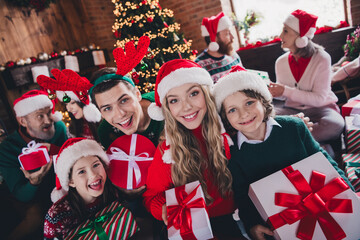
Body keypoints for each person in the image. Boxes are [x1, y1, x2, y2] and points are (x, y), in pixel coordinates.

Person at [212, 68, 354, 240]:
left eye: (249, 102)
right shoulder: (233, 154)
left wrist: (350, 193)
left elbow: (326, 163)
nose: (244, 114)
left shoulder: (294, 127)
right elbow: (243, 197)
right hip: (281, 226)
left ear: (263, 100)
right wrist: (251, 225)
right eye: (232, 110)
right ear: (225, 118)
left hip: (326, 207)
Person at [143, 59, 246, 239]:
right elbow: (151, 196)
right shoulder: (167, 153)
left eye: (193, 93)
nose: (186, 106)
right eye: (174, 100)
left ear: (206, 93)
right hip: (194, 228)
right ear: (167, 108)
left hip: (240, 217)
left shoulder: (230, 127)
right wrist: (163, 208)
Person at [269, 9, 344, 145]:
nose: (280, 35)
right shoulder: (281, 62)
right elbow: (283, 96)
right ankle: (318, 145)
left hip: (322, 109)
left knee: (335, 124)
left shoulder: (322, 59)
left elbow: (319, 99)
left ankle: (299, 142)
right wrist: (273, 91)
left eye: (286, 31)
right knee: (268, 119)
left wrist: (284, 90)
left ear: (301, 37)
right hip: (292, 110)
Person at [0, 89, 67, 239]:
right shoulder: (7, 149)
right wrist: (33, 182)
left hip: (60, 186)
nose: (48, 120)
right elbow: (19, 194)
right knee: (35, 216)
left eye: (49, 112)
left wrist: (55, 150)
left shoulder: (59, 128)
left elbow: (69, 157)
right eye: (39, 116)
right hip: (30, 197)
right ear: (23, 121)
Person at [44, 137, 138, 239]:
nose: (93, 175)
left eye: (96, 165)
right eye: (81, 171)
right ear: (71, 181)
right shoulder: (57, 216)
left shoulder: (113, 192)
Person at [37, 69, 102, 141]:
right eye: (66, 104)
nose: (68, 109)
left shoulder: (102, 121)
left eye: (72, 103)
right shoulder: (75, 126)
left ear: (83, 102)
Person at [195, 11, 244, 83]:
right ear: (214, 38)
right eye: (227, 34)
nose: (232, 37)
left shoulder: (234, 56)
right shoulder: (199, 66)